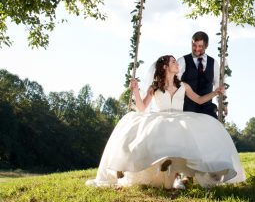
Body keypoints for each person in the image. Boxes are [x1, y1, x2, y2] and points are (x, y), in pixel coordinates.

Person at [86, 55, 245, 189]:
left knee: (198, 132)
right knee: (153, 133)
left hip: (180, 117)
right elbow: (142, 108)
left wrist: (215, 93)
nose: (177, 64)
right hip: (160, 117)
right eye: (174, 62)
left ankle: (178, 177)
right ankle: (164, 178)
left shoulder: (183, 85)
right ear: (164, 67)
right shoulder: (154, 87)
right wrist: (135, 90)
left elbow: (199, 99)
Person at [177, 31, 220, 118]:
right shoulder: (182, 61)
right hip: (187, 110)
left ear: (206, 45)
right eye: (194, 45)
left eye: (200, 46)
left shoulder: (214, 63)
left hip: (208, 110)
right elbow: (175, 84)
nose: (196, 49)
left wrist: (222, 104)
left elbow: (218, 85)